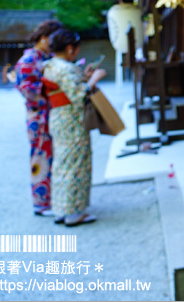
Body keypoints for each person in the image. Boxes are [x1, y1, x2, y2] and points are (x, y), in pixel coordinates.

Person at [42, 29, 106, 226]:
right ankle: (74, 212)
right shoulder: (66, 69)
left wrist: (84, 76)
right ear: (70, 48)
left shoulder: (50, 66)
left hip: (58, 117)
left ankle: (61, 209)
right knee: (76, 164)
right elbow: (79, 96)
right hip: (72, 120)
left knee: (62, 164)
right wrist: (94, 79)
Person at [14, 19, 63, 217]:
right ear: (43, 39)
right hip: (38, 115)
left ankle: (51, 199)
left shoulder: (41, 58)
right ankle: (41, 203)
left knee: (50, 157)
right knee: (40, 158)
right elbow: (28, 92)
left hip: (46, 114)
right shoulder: (28, 61)